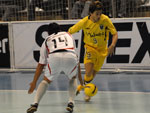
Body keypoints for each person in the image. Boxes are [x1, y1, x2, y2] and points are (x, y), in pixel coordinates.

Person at [26, 22, 84, 113]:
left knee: (46, 80)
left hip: (54, 56)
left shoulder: (47, 39)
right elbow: (76, 57)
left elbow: (41, 65)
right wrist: (81, 81)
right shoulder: (68, 35)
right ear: (60, 29)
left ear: (48, 33)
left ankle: (35, 103)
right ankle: (71, 102)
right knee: (72, 78)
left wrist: (34, 82)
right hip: (70, 56)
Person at [68, 1, 118, 101]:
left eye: (100, 13)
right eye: (97, 14)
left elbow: (115, 34)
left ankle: (82, 87)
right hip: (90, 48)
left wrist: (112, 45)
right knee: (89, 72)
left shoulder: (105, 20)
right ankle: (88, 94)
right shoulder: (84, 22)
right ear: (91, 13)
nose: (99, 16)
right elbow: (69, 32)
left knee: (91, 76)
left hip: (102, 51)